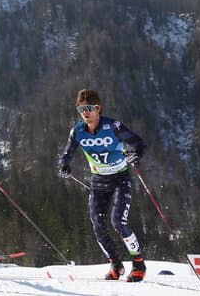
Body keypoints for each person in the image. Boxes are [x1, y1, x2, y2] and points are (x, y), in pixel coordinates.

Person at [57, 89, 148, 282]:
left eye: (89, 108)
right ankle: (116, 264)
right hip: (98, 182)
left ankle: (138, 263)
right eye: (81, 109)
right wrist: (64, 165)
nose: (85, 112)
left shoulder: (113, 126)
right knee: (98, 226)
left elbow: (139, 143)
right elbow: (67, 153)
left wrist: (135, 155)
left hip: (120, 179)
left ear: (98, 109)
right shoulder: (78, 131)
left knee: (118, 223)